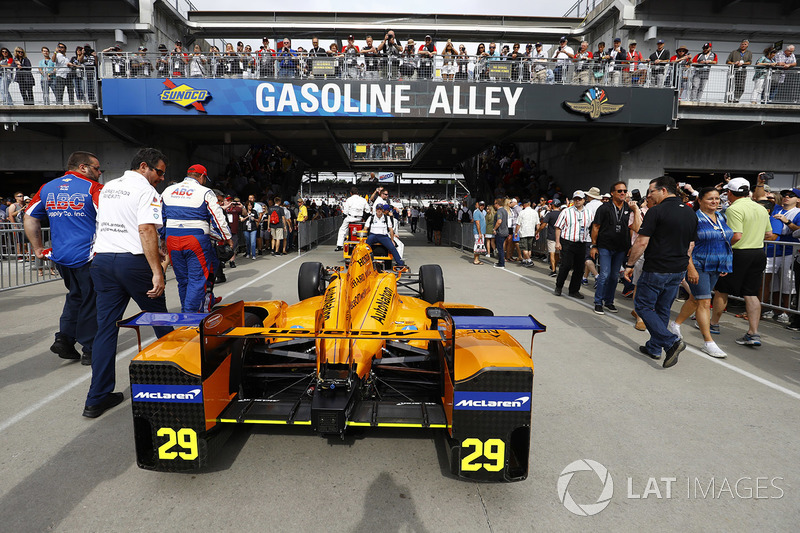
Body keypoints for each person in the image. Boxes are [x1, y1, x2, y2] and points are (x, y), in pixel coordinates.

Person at [86, 148, 173, 418]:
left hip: (103, 261)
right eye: (159, 172)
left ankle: (96, 398)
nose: (160, 178)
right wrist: (156, 271)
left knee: (106, 330)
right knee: (161, 322)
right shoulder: (147, 191)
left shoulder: (109, 187)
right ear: (144, 166)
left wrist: (150, 250)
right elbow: (145, 229)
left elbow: (114, 223)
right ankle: (176, 385)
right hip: (133, 264)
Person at [24, 151, 103, 365]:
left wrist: (38, 248)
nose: (99, 173)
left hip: (61, 256)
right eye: (97, 168)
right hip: (89, 255)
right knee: (91, 300)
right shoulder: (93, 188)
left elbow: (30, 216)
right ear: (83, 167)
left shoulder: (48, 188)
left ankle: (65, 339)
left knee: (75, 295)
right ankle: (90, 348)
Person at [623, 176, 697, 368]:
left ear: (663, 190)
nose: (649, 195)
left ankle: (670, 341)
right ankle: (654, 347)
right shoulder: (689, 213)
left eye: (651, 191)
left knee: (643, 306)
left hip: (657, 268)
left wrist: (630, 264)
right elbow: (690, 245)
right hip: (677, 270)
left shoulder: (657, 211)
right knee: (663, 308)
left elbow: (641, 241)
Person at [669, 187, 732, 358]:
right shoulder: (693, 218)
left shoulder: (721, 216)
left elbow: (724, 240)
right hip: (698, 264)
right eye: (710, 199)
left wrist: (724, 263)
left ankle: (675, 324)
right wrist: (691, 268)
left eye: (717, 199)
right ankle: (708, 342)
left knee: (695, 300)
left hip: (716, 265)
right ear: (700, 200)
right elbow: (685, 245)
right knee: (704, 301)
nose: (715, 202)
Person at [162, 164, 232, 312]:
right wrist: (226, 237)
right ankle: (190, 317)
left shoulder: (168, 190)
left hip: (172, 239)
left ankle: (186, 312)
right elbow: (218, 217)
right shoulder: (205, 192)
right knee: (197, 280)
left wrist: (163, 237)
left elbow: (159, 217)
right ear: (202, 177)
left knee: (182, 280)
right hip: (195, 239)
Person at [590, 182, 641, 315]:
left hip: (621, 248)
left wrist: (631, 246)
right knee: (605, 275)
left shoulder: (629, 208)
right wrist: (594, 245)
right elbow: (596, 227)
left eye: (624, 191)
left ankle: (609, 301)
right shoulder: (604, 208)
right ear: (612, 193)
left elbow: (633, 228)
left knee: (614, 276)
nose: (623, 193)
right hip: (605, 246)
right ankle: (598, 302)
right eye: (619, 191)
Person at [554, 191, 590, 298]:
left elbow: (593, 227)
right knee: (566, 265)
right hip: (568, 242)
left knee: (579, 268)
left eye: (580, 199)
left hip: (582, 243)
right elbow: (558, 227)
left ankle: (574, 290)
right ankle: (559, 286)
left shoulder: (589, 213)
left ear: (584, 200)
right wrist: (557, 242)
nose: (577, 201)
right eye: (575, 199)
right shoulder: (566, 212)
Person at [365, 203, 405, 267]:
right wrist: (364, 237)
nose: (379, 210)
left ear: (382, 210)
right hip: (373, 235)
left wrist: (392, 240)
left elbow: (391, 229)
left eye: (380, 209)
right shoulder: (371, 218)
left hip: (383, 236)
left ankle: (400, 263)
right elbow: (365, 228)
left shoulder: (386, 218)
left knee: (392, 247)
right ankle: (365, 262)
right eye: (378, 209)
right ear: (375, 210)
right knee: (366, 247)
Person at [335, 186, 369, 251]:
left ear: (351, 193)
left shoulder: (349, 199)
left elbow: (345, 212)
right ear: (357, 193)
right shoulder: (363, 199)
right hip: (359, 218)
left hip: (351, 218)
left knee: (342, 229)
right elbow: (367, 211)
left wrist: (344, 217)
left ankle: (339, 245)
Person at [515, 199, 540, 266]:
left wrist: (516, 232)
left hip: (524, 232)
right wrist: (538, 232)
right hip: (531, 232)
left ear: (524, 204)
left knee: (524, 248)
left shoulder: (522, 212)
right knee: (529, 248)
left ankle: (529, 260)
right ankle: (525, 259)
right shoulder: (535, 212)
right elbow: (538, 223)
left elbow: (518, 223)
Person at [472, 201, 487, 265]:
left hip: (481, 232)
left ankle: (477, 259)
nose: (482, 206)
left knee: (479, 246)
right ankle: (476, 259)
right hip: (478, 232)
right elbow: (477, 223)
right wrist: (480, 233)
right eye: (481, 205)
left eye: (483, 205)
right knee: (477, 245)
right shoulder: (477, 212)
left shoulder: (482, 212)